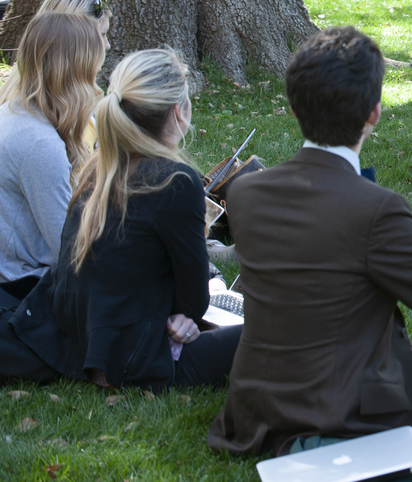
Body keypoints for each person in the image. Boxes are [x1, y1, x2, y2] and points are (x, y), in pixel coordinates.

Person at [208, 27, 412, 457]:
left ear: (293, 109)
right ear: (374, 113)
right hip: (349, 416)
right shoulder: (376, 208)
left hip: (257, 409)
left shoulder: (244, 193)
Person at [0, 49, 241, 388]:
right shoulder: (175, 181)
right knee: (279, 332)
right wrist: (185, 314)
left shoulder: (98, 168)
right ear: (179, 112)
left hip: (80, 342)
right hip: (134, 355)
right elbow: (194, 300)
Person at [0, 12, 104, 300]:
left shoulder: (16, 111)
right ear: (76, 73)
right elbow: (73, 254)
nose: (96, 85)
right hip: (26, 290)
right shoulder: (39, 143)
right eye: (93, 71)